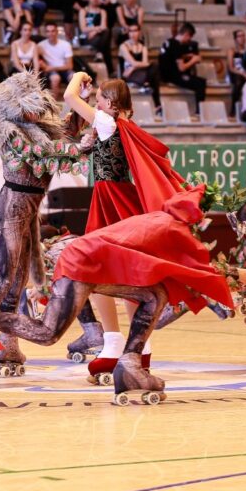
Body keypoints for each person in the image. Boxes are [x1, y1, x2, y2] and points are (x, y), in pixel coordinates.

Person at [61, 72, 188, 379]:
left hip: (109, 200)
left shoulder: (107, 122)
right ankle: (139, 347)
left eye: (100, 99)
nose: (96, 102)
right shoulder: (120, 125)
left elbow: (68, 97)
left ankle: (114, 343)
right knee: (128, 274)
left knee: (94, 269)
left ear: (112, 103)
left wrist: (79, 76)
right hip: (119, 197)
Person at [159, 22, 206, 112]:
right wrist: (194, 60)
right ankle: (199, 112)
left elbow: (172, 57)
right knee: (201, 83)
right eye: (190, 37)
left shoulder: (169, 42)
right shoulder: (177, 46)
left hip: (164, 72)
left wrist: (187, 56)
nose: (189, 40)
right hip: (171, 76)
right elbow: (182, 68)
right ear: (186, 34)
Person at [118, 24, 160, 107]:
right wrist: (138, 65)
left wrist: (133, 67)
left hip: (139, 73)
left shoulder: (143, 47)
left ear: (139, 32)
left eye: (135, 31)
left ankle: (146, 84)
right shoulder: (123, 46)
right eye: (130, 31)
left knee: (155, 66)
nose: (133, 33)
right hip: (128, 75)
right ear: (128, 33)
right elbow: (138, 63)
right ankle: (157, 104)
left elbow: (143, 63)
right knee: (154, 76)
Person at [79, 0, 113, 77]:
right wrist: (97, 29)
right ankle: (110, 69)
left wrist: (94, 31)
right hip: (86, 38)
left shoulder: (102, 11)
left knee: (106, 32)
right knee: (105, 43)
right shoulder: (83, 11)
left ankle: (99, 53)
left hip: (98, 37)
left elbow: (104, 27)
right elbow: (83, 29)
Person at [37, 22, 75, 94]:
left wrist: (52, 68)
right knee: (55, 78)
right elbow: (36, 59)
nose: (50, 33)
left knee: (75, 77)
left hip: (63, 69)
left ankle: (74, 102)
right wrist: (43, 65)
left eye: (53, 31)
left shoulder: (66, 45)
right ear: (45, 33)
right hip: (51, 71)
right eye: (48, 31)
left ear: (57, 32)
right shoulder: (40, 45)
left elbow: (70, 65)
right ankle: (54, 104)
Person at [226, 28, 246, 116]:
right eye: (239, 36)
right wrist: (242, 73)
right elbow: (231, 67)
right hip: (235, 72)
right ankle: (233, 109)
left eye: (243, 35)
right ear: (235, 39)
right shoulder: (232, 51)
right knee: (238, 81)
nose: (242, 38)